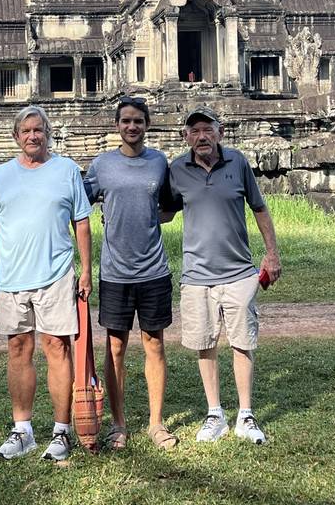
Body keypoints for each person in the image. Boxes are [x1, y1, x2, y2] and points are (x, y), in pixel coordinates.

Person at [0, 105, 92, 462]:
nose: (33, 136)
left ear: (49, 134)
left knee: (56, 347)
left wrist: (87, 269)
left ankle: (61, 431)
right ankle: (23, 429)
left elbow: (81, 222)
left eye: (39, 130)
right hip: (12, 276)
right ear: (17, 137)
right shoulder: (2, 175)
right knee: (18, 349)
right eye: (26, 131)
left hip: (56, 273)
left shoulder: (66, 170)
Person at [167, 106, 281, 445]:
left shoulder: (238, 163)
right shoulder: (177, 169)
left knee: (242, 342)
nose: (201, 136)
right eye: (195, 131)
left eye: (208, 129)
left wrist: (272, 253)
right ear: (186, 136)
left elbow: (259, 207)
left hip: (239, 271)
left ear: (220, 133)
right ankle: (214, 413)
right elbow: (164, 211)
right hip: (197, 273)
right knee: (205, 343)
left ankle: (245, 414)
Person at [83, 96, 178, 450]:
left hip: (153, 269)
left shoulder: (159, 163)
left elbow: (169, 208)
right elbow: (80, 203)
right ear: (117, 126)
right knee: (116, 346)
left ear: (147, 125)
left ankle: (156, 422)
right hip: (114, 271)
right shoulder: (102, 166)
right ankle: (118, 424)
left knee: (154, 343)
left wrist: (145, 220)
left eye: (138, 121)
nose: (132, 127)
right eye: (126, 121)